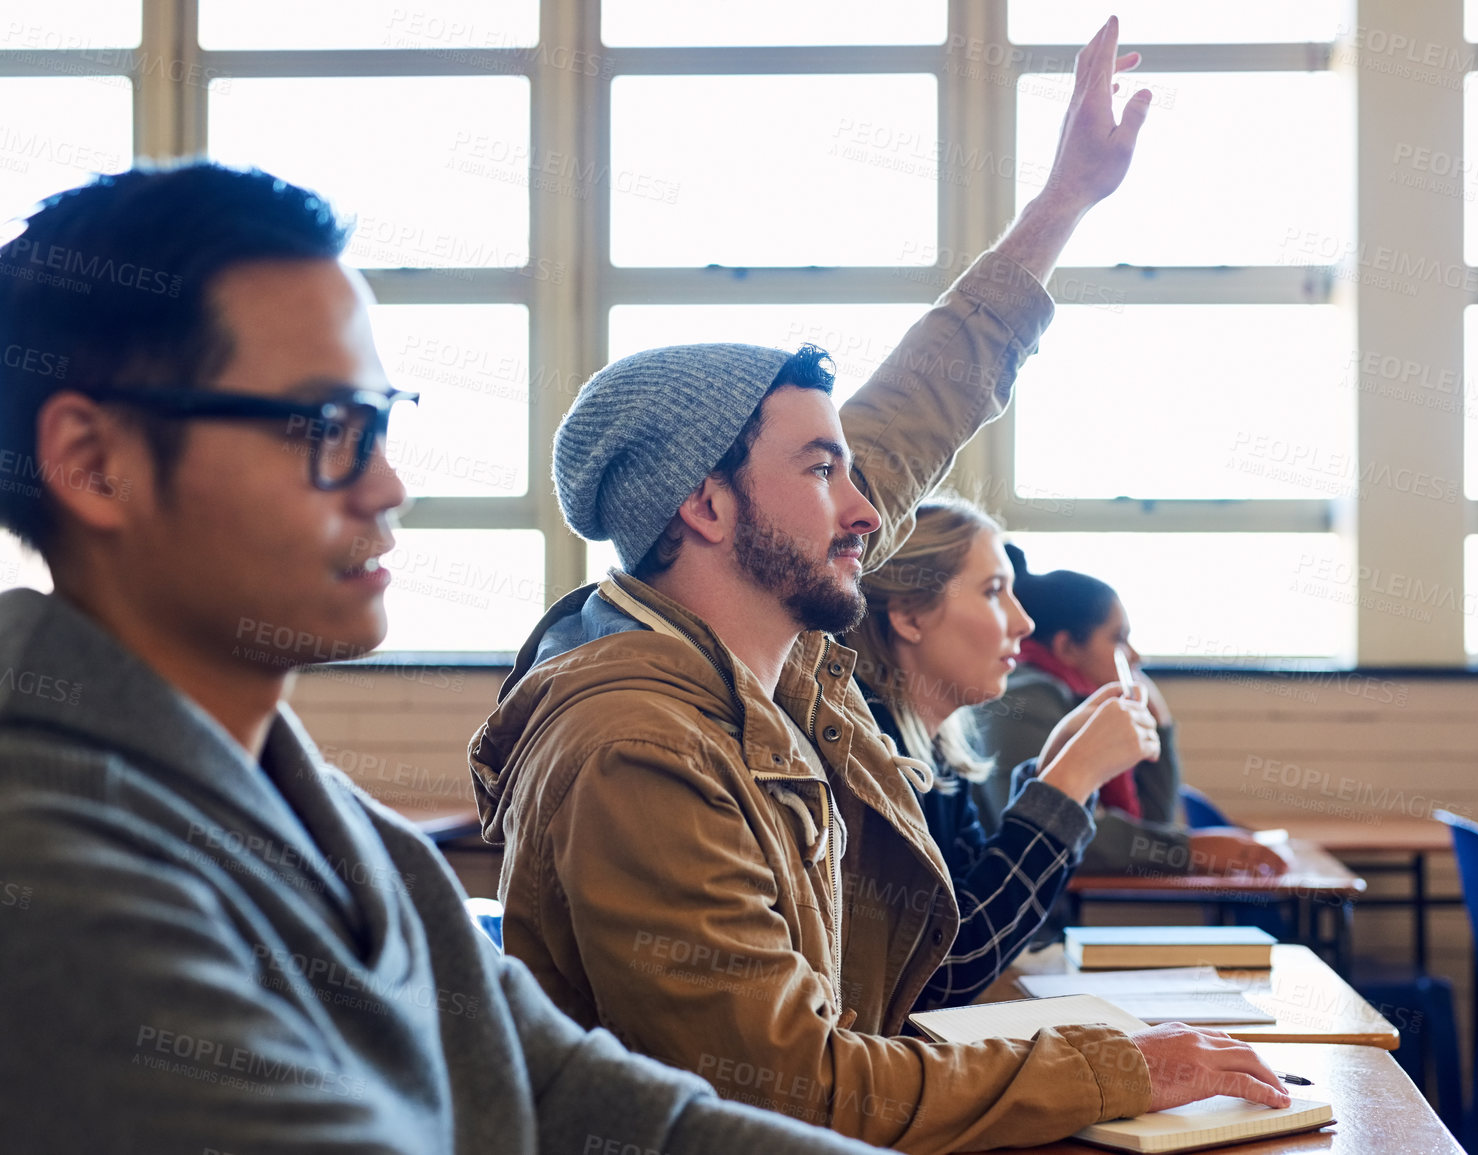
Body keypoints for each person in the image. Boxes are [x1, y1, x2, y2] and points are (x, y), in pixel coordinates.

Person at [471, 19, 1290, 1154]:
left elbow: (920, 406)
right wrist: (1113, 1069)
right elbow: (793, 1096)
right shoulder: (636, 749)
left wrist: (1064, 204)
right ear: (704, 508)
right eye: (821, 472)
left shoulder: (765, 635)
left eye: (854, 474)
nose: (866, 510)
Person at [0, 163, 875, 1153]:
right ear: (91, 462)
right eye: (326, 426)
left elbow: (606, 1107)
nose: (387, 484)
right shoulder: (50, 873)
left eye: (382, 421)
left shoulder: (348, 833)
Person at [846, 495, 1166, 1008]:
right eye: (995, 592)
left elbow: (976, 904)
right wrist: (1070, 780)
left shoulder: (937, 753)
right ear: (909, 614)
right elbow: (943, 974)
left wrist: (1056, 766)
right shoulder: (869, 756)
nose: (1024, 622)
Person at [975, 546, 1287, 878]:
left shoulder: (1078, 702)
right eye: (1119, 639)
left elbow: (1155, 823)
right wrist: (1188, 850)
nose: (1134, 656)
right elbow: (1049, 829)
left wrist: (1160, 722)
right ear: (1067, 647)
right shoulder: (1028, 697)